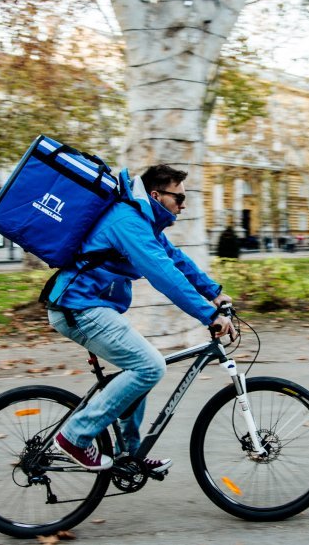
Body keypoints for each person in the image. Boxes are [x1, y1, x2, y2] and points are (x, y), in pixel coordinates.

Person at [46, 165, 234, 472]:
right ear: (157, 195)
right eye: (179, 197)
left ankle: (128, 455)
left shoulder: (144, 222)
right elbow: (163, 274)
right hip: (78, 306)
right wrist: (208, 315)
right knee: (149, 366)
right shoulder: (129, 221)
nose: (183, 205)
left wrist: (214, 293)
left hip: (95, 306)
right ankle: (74, 437)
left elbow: (176, 260)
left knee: (142, 366)